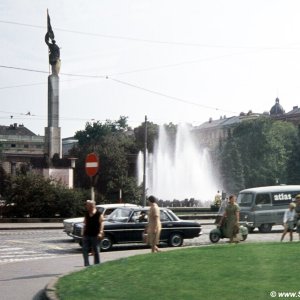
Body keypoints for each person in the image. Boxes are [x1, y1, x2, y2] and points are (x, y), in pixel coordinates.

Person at [82, 200, 104, 266]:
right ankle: (86, 265)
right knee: (84, 250)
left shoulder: (99, 214)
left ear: (92, 206)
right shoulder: (86, 213)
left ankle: (97, 265)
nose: (86, 207)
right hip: (87, 234)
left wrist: (100, 232)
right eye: (87, 205)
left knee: (96, 250)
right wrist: (83, 233)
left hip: (95, 235)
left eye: (88, 205)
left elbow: (102, 223)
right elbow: (85, 224)